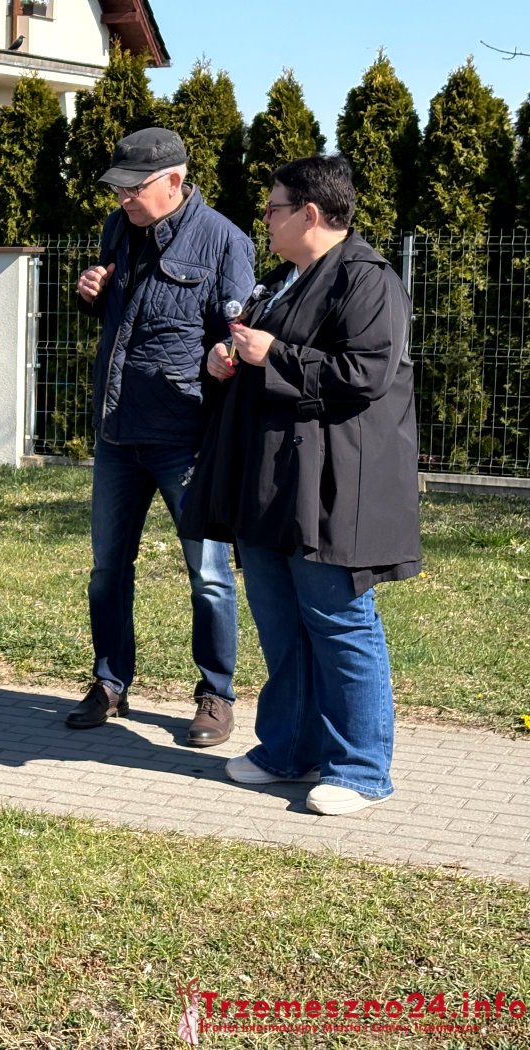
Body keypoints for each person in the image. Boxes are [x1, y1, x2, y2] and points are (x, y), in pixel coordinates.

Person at [181, 154, 419, 815]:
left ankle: (362, 769)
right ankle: (289, 750)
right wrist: (224, 360)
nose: (265, 219)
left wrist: (273, 355)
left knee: (339, 624)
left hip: (331, 487)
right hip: (270, 485)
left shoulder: (367, 280)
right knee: (283, 627)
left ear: (310, 214)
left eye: (273, 209)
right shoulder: (283, 281)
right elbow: (262, 361)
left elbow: (365, 375)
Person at [71, 127, 250, 746]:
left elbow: (237, 334)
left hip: (185, 438)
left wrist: (226, 356)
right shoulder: (118, 228)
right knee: (107, 570)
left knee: (209, 575)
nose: (123, 198)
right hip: (118, 432)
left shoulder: (224, 240)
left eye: (133, 187)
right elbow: (120, 317)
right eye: (117, 188)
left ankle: (215, 693)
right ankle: (110, 682)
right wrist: (91, 294)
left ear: (174, 180)